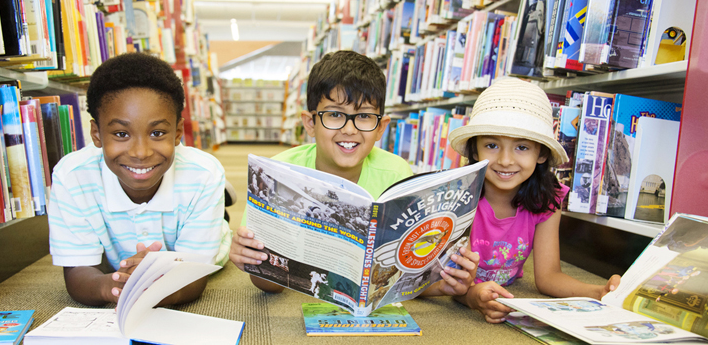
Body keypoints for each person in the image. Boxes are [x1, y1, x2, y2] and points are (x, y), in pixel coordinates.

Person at [230, 50, 479, 296]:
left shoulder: (397, 174)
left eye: (364, 116)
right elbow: (267, 285)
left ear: (381, 127)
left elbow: (407, 272)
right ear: (310, 123)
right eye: (335, 114)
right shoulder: (277, 174)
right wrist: (255, 263)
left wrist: (440, 283)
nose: (349, 129)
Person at [47, 53, 231, 306]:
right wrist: (111, 287)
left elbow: (195, 277)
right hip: (121, 263)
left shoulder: (204, 174)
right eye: (121, 134)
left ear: (178, 133)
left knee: (221, 243)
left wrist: (159, 286)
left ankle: (218, 213)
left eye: (157, 133)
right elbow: (78, 273)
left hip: (194, 241)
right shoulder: (71, 177)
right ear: (96, 134)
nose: (141, 152)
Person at [446, 77, 621, 323]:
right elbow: (438, 280)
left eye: (522, 147)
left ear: (541, 154)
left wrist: (599, 292)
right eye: (492, 145)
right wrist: (471, 295)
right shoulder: (454, 197)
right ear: (475, 150)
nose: (506, 160)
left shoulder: (547, 200)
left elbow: (548, 277)